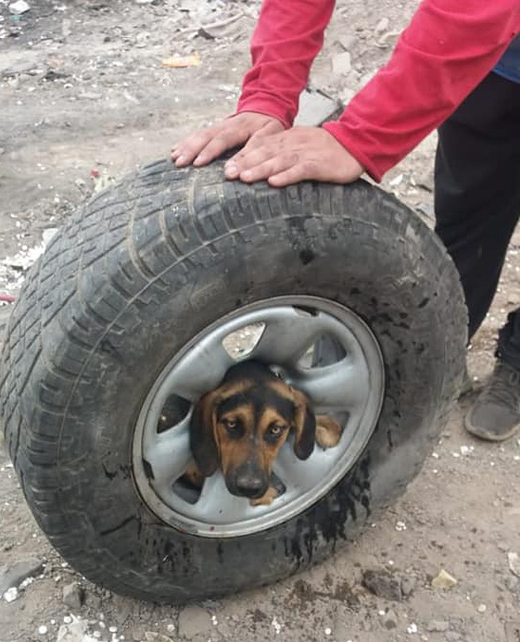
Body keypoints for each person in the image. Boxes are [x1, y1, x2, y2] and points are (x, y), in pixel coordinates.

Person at [172, 0, 520, 442]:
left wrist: (363, 136)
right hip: (495, 66)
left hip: (488, 20)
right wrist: (268, 96)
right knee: (467, 221)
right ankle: (440, 356)